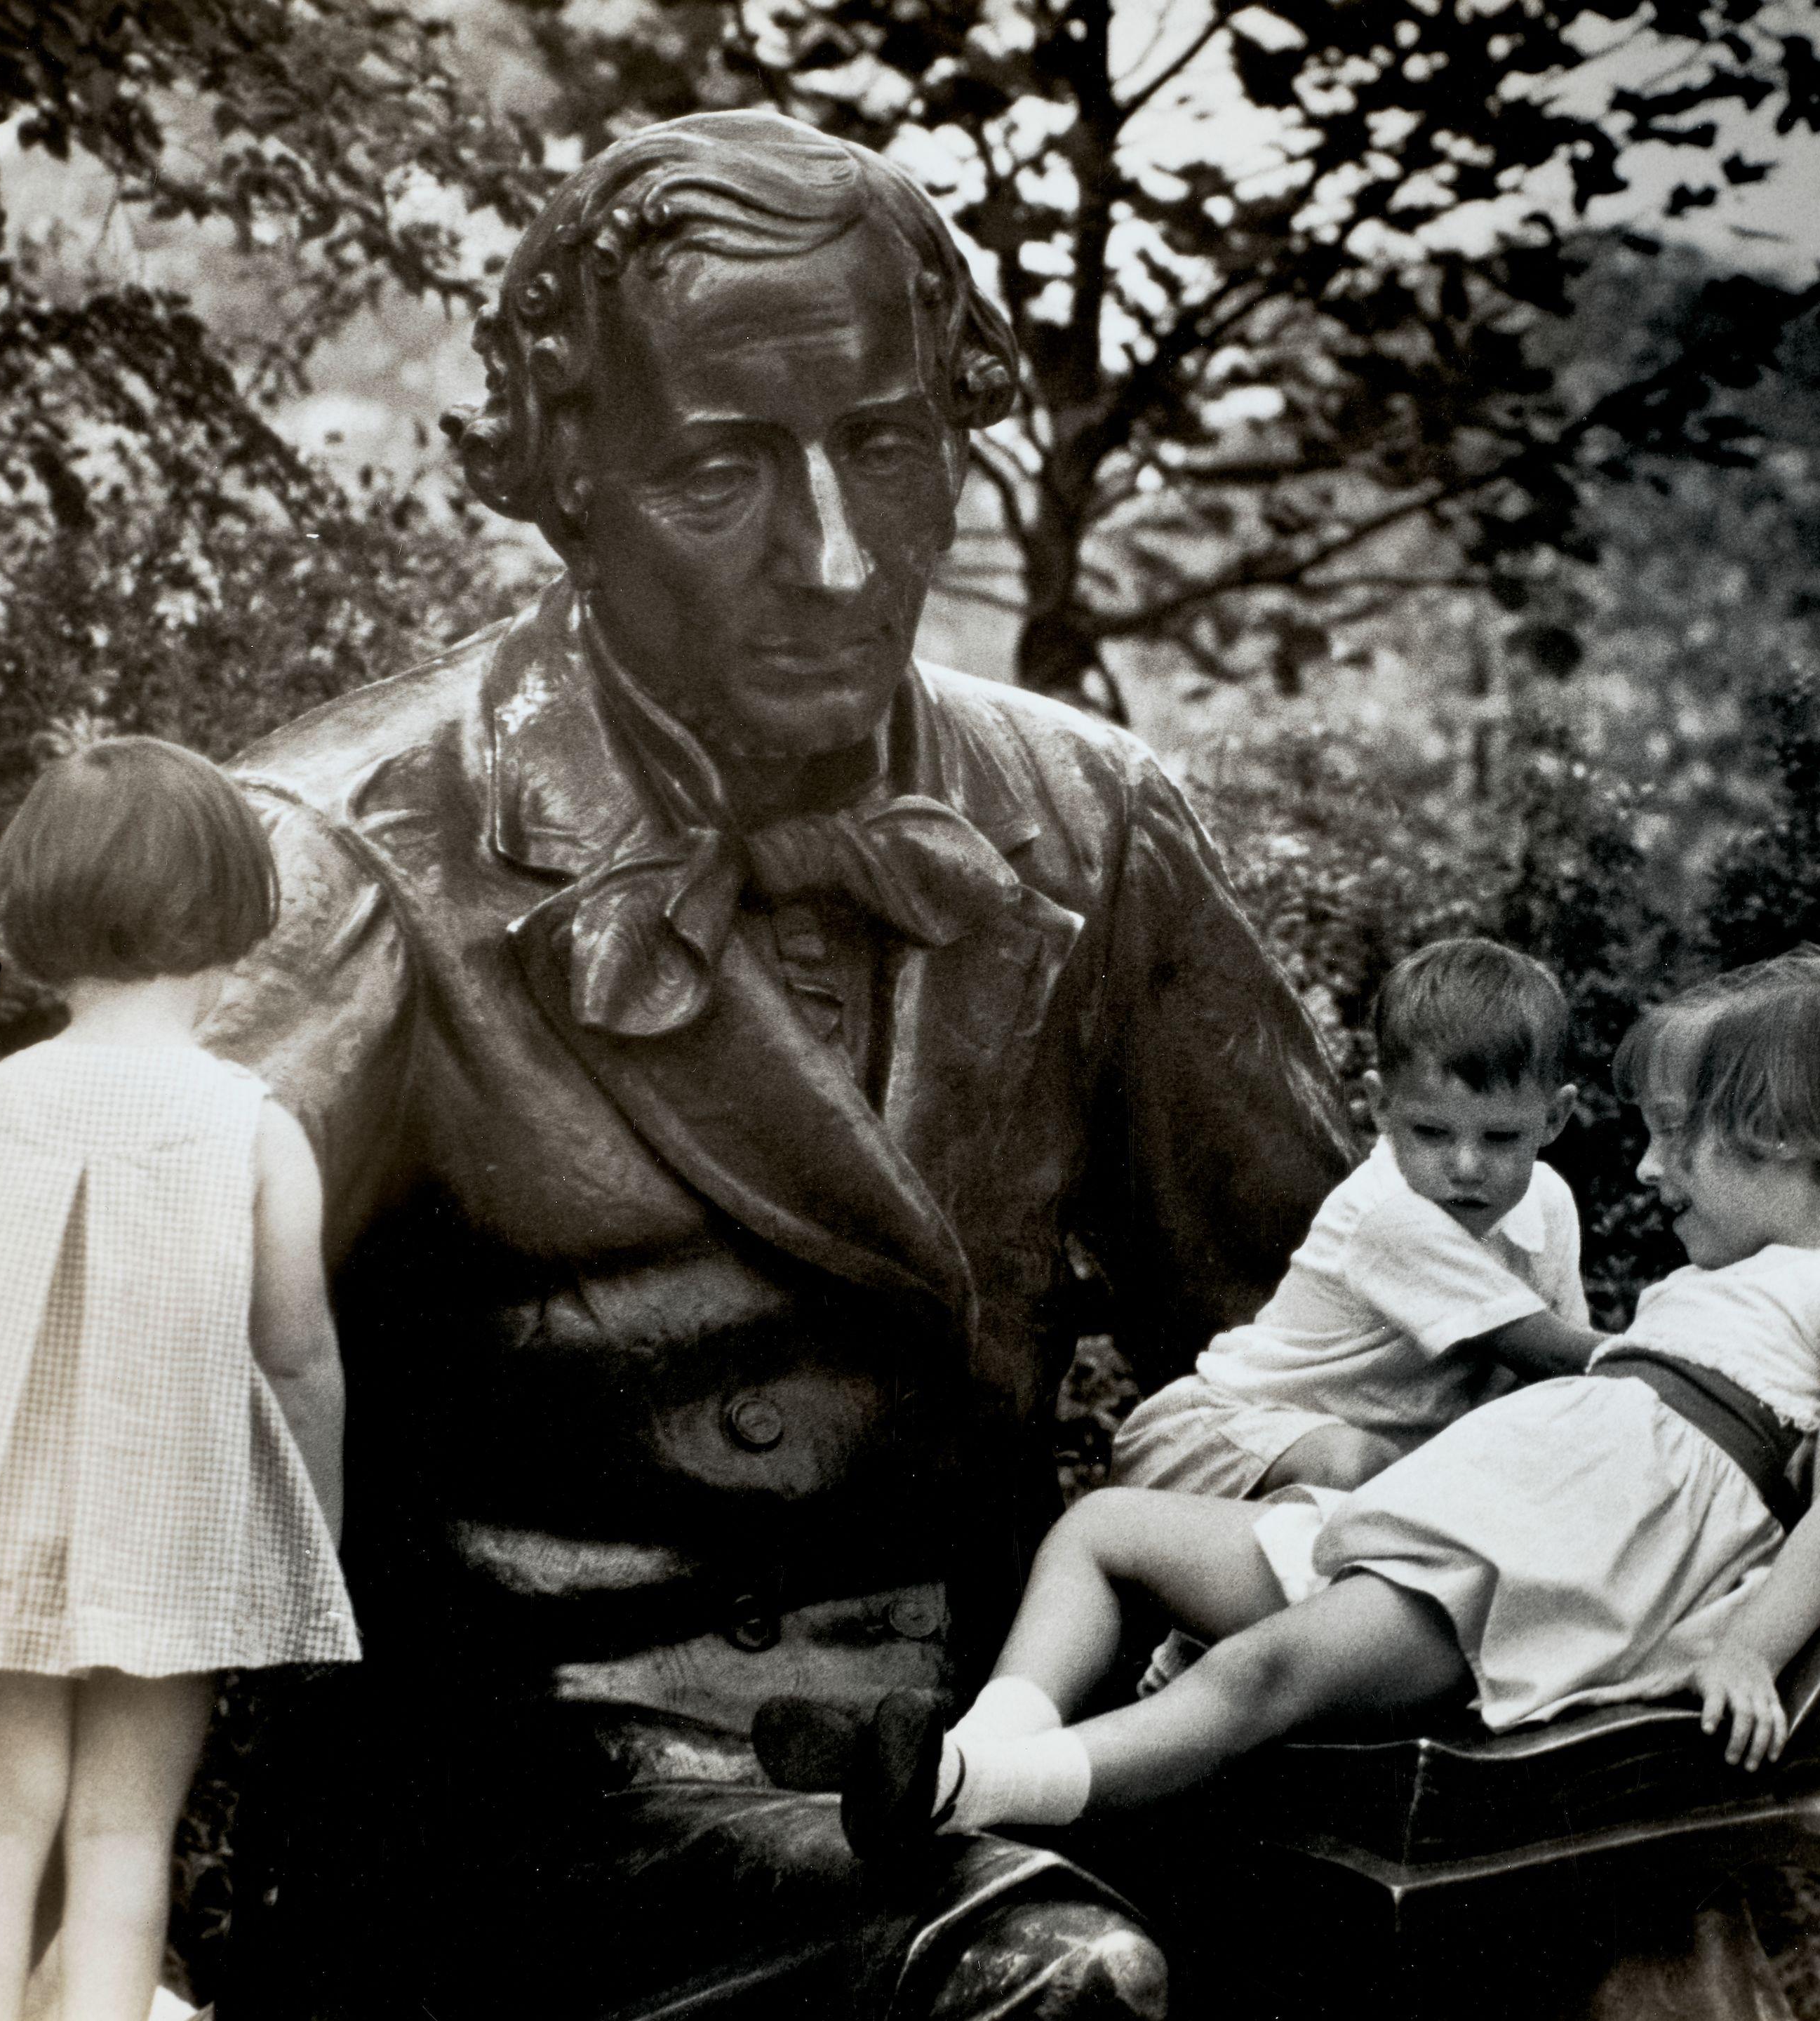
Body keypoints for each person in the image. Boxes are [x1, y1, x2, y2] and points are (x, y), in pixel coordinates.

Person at [194, 111, 1352, 2020]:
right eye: (721, 470)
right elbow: (85, 1429)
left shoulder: (1091, 822)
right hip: (514, 1827)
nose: (831, 555)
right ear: (571, 478)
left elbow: (1326, 1336)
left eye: (884, 447)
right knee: (1054, 1985)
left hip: (995, 1747)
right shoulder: (341, 859)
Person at [820, 948, 1820, 1858]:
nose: (1648, 1172)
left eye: (1676, 1138)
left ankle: (974, 1793)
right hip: (1466, 1513)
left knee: (1260, 1672)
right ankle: (975, 1745)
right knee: (1105, 1530)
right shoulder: (1705, 1286)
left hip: (1529, 1573)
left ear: (1779, 1136)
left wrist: (1749, 1647)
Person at [0, 739, 354, 2021]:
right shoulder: (251, 1127)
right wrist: (312, 1526)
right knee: (121, 1835)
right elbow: (296, 1355)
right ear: (233, 911)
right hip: (168, 1528)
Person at [1111, 937, 1598, 1500]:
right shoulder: (1390, 1213)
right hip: (1218, 1440)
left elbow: (1574, 1382)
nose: (1466, 1168)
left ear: (1555, 1117)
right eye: (1432, 1133)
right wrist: (1683, 1349)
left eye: (1501, 1137)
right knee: (1360, 1466)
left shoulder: (1549, 1202)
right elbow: (1553, 1353)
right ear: (1382, 1106)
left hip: (1354, 1463)